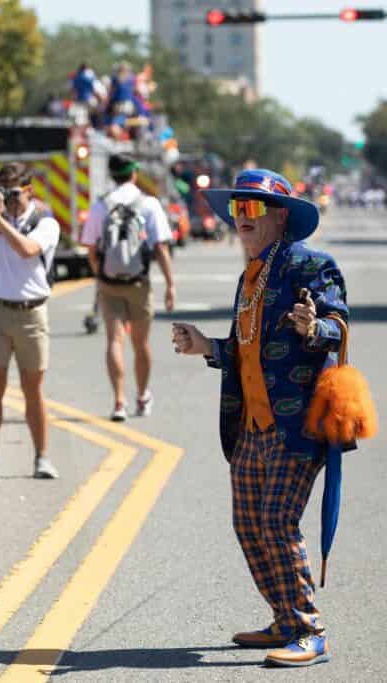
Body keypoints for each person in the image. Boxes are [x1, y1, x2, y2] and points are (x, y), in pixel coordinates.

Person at [172, 169, 349, 668]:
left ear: (279, 216)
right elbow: (249, 351)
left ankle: (309, 630)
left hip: (298, 423)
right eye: (235, 209)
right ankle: (284, 618)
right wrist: (207, 347)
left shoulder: (310, 265)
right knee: (248, 524)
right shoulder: (250, 275)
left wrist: (315, 327)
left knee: (276, 520)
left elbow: (335, 325)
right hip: (252, 425)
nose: (239, 219)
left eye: (250, 209)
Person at [0, 163, 62, 482]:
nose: (6, 195)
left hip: (31, 312)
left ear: (29, 190)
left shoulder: (45, 222)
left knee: (33, 389)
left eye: (12, 189)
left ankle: (42, 457)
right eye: (1, 187)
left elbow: (27, 249)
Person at [80, 154, 176, 421]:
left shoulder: (101, 206)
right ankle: (143, 395)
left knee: (114, 340)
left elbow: (90, 247)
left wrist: (100, 274)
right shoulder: (149, 204)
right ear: (134, 173)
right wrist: (170, 285)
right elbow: (161, 247)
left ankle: (118, 402)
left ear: (111, 175)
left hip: (109, 283)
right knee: (141, 342)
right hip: (139, 283)